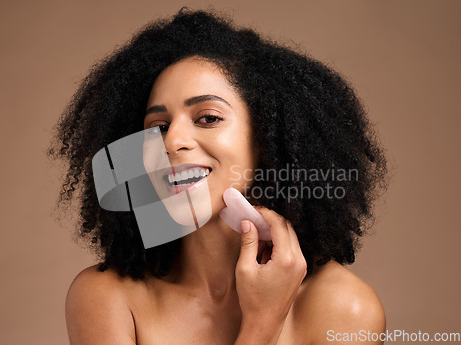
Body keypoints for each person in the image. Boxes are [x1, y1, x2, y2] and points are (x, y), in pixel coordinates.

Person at [48, 8, 388, 344]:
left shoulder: (345, 309)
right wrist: (263, 324)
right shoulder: (105, 296)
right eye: (159, 126)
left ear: (270, 137)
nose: (171, 141)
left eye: (208, 117)